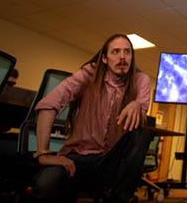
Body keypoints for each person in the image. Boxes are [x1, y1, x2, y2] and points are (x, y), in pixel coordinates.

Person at [32, 33, 152, 202]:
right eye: (115, 52)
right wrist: (43, 153)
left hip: (109, 163)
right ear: (104, 58)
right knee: (46, 183)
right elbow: (48, 104)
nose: (122, 57)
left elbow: (141, 111)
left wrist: (137, 104)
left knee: (142, 134)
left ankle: (118, 199)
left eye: (127, 52)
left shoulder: (141, 80)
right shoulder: (89, 74)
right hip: (77, 158)